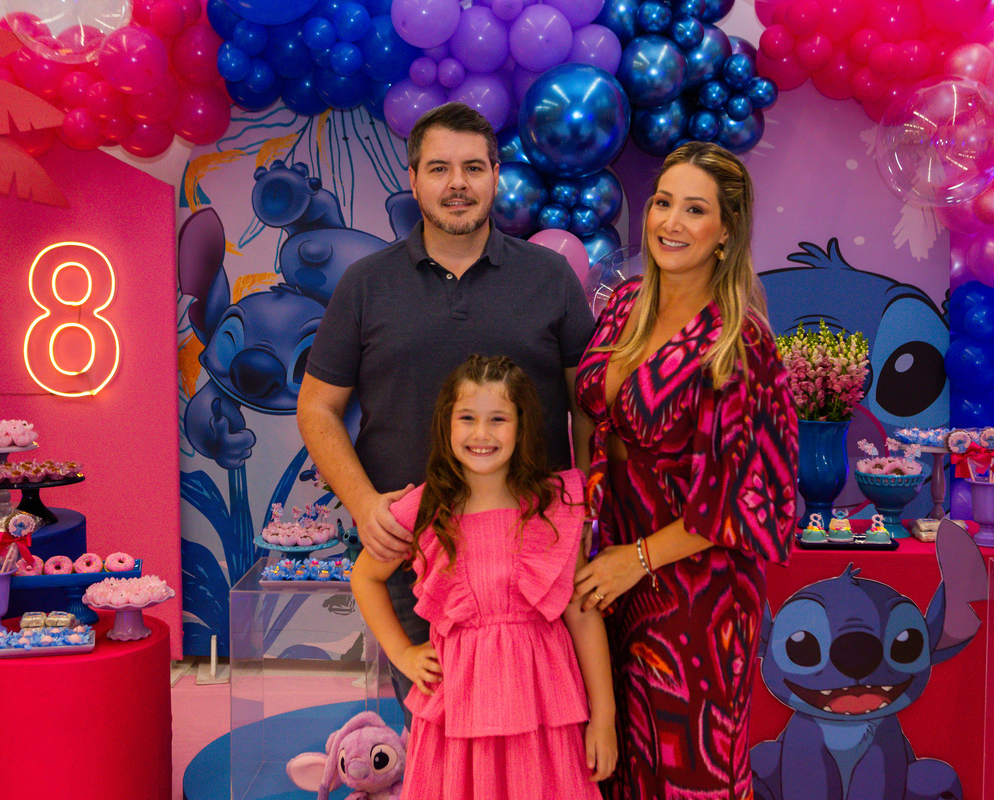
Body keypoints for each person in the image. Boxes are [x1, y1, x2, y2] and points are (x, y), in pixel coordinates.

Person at [298, 102, 596, 715]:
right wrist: (364, 504)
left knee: (543, 731)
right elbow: (317, 409)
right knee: (437, 733)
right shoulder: (365, 284)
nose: (457, 183)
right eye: (439, 168)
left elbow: (588, 407)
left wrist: (588, 503)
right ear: (413, 180)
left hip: (533, 559)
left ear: (495, 176)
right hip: (414, 557)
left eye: (473, 168)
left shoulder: (550, 278)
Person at [572, 141, 799, 799]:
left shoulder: (739, 341)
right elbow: (589, 417)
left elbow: (746, 496)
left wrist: (637, 560)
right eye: (663, 203)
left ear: (726, 231)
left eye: (695, 210)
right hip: (608, 574)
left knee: (688, 769)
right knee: (611, 766)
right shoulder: (625, 304)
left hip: (696, 593)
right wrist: (583, 526)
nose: (671, 222)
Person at [351, 354, 617, 798]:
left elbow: (582, 612)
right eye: (468, 418)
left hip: (541, 711)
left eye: (498, 419)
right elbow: (365, 577)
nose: (482, 434)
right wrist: (403, 653)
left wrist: (604, 717)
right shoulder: (426, 508)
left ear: (521, 425)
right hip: (459, 712)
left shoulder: (555, 505)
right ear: (446, 424)